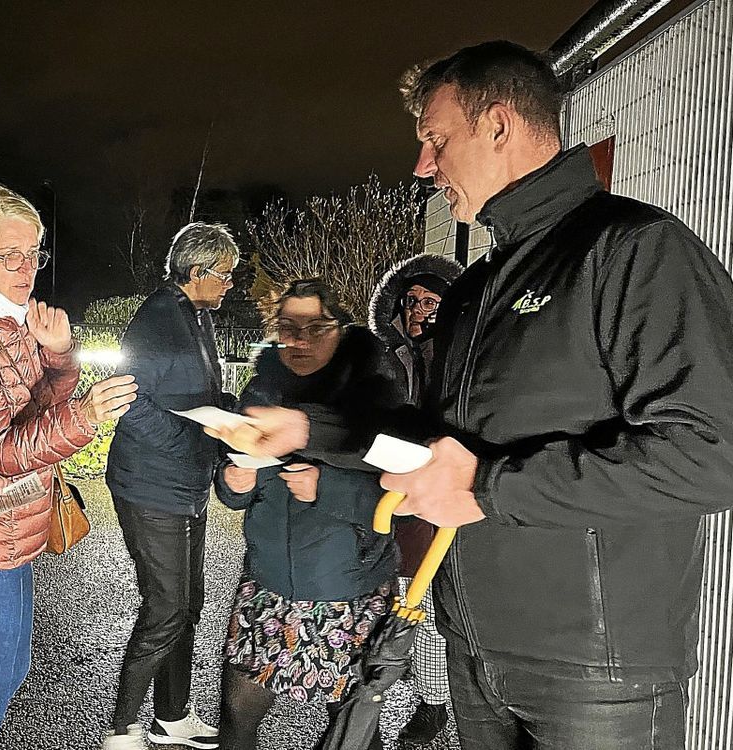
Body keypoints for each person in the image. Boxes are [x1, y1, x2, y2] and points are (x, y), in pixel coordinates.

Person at [209, 41, 733, 750]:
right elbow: (428, 449)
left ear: (497, 126)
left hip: (597, 677)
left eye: (435, 139)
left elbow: (713, 454)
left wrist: (490, 485)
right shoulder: (480, 288)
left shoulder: (635, 249)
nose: (423, 166)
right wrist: (308, 431)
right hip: (476, 654)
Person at [0, 180, 137, 750]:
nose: (26, 267)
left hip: (9, 530)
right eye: (9, 254)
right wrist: (84, 418)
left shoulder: (9, 320)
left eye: (34, 252)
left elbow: (40, 404)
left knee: (5, 676)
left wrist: (58, 356)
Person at [215, 280, 397, 750]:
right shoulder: (262, 388)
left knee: (353, 725)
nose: (298, 340)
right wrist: (234, 484)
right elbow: (234, 471)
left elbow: (401, 496)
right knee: (237, 709)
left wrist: (327, 486)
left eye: (315, 327)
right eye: (287, 327)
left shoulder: (374, 388)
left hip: (346, 590)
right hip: (268, 583)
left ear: (340, 328)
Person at [101, 222, 240, 750]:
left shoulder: (196, 315)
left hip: (185, 482)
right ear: (197, 272)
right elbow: (129, 402)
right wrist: (190, 442)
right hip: (151, 483)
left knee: (191, 602)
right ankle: (122, 726)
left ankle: (172, 715)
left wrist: (230, 415)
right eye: (224, 274)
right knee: (166, 606)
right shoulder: (157, 321)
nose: (230, 284)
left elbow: (200, 390)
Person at [366, 254, 461, 745]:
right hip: (392, 492)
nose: (421, 310)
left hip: (449, 495)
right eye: (413, 301)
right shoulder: (384, 359)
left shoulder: (464, 357)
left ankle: (434, 700)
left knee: (430, 603)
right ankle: (382, 700)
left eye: (432, 301)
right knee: (398, 596)